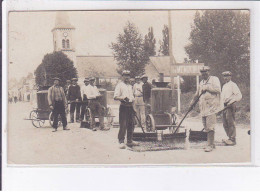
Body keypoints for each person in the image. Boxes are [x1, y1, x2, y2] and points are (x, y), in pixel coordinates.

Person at [189, 66, 221, 152]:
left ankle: (210, 145)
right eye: (202, 73)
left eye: (206, 72)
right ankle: (212, 144)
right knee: (206, 126)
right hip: (203, 108)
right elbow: (197, 94)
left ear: (209, 72)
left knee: (210, 127)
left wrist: (207, 88)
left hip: (212, 107)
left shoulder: (214, 79)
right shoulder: (201, 82)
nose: (204, 74)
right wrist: (192, 103)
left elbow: (218, 90)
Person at [114, 70, 139, 149]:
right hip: (123, 106)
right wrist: (123, 98)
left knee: (131, 124)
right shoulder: (119, 85)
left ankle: (129, 140)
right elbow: (115, 97)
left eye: (128, 75)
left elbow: (132, 98)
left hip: (130, 106)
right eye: (125, 75)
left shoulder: (130, 86)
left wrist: (133, 108)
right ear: (122, 76)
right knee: (123, 125)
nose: (127, 77)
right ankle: (121, 141)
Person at [221, 71, 242, 146]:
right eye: (224, 76)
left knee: (230, 122)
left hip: (230, 105)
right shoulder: (224, 86)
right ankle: (229, 138)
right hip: (224, 106)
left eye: (227, 76)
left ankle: (233, 139)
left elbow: (239, 95)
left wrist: (231, 101)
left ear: (230, 77)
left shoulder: (233, 85)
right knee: (224, 123)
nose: (225, 78)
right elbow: (222, 97)